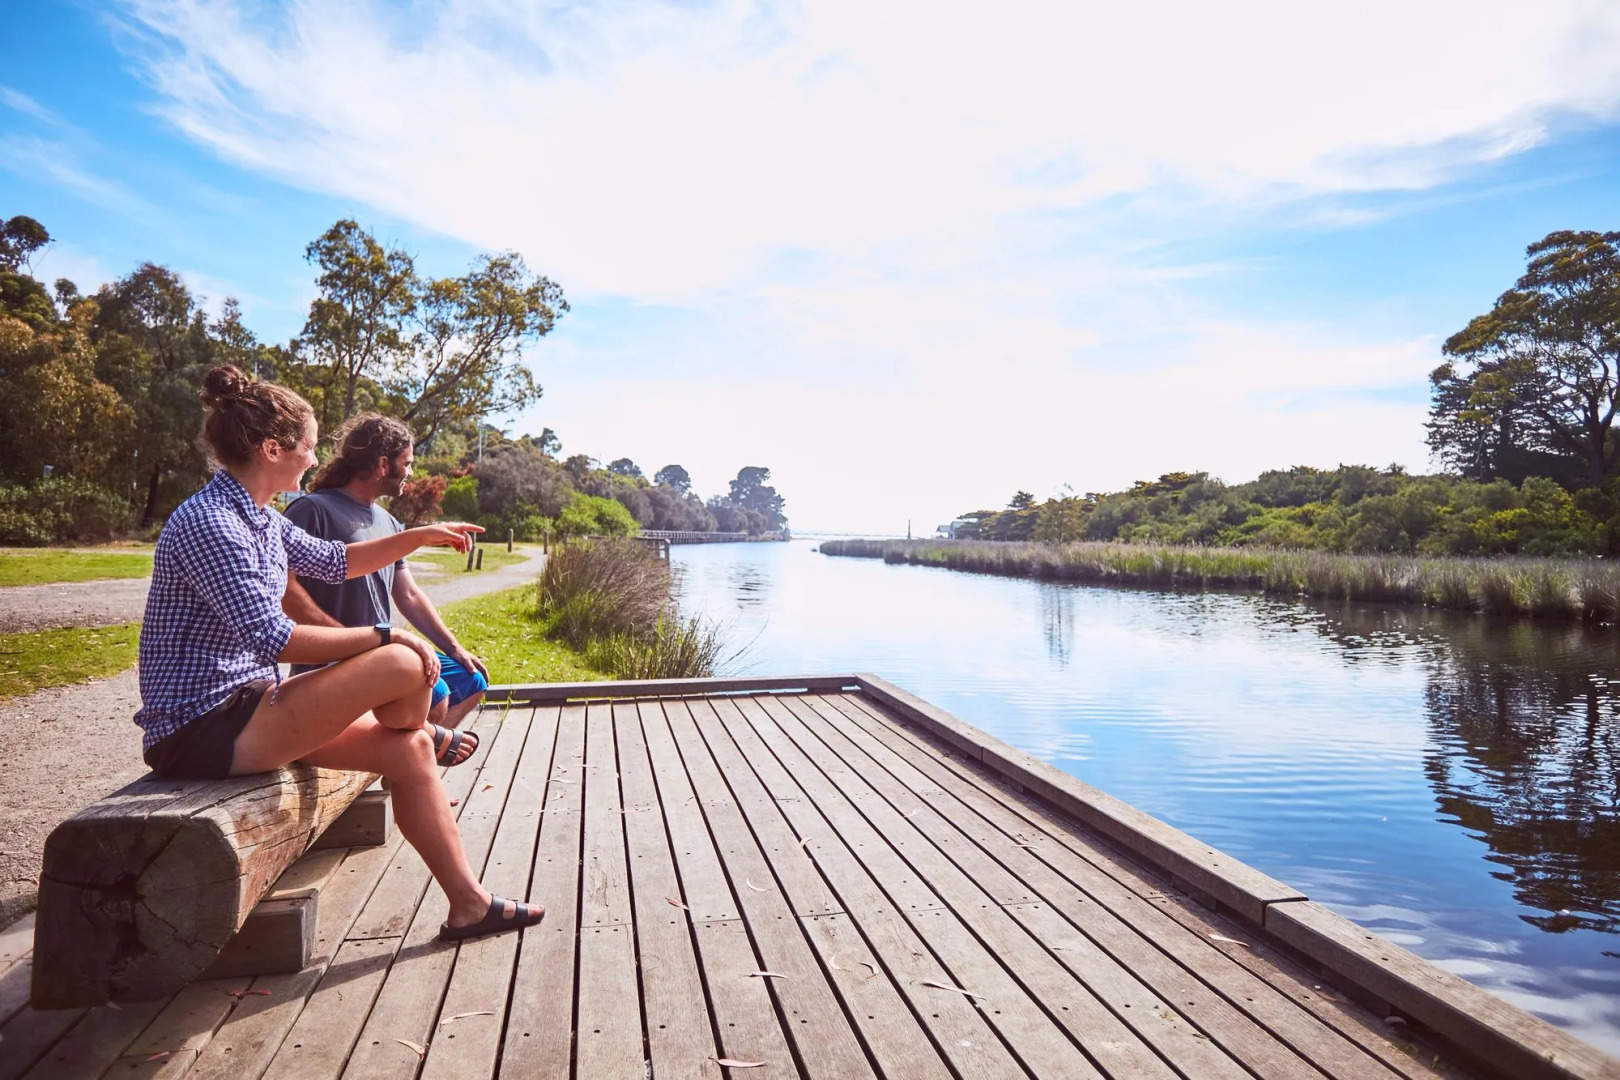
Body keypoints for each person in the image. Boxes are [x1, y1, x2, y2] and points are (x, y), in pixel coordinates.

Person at [134, 365, 543, 942]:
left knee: (412, 746)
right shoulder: (211, 523)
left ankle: (469, 905)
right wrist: (386, 635)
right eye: (306, 443)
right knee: (403, 663)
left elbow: (337, 561)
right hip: (203, 729)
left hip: (250, 707)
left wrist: (421, 536)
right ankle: (419, 720)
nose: (312, 455)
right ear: (272, 448)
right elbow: (274, 637)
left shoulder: (259, 518)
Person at [282, 413, 487, 762]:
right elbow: (285, 589)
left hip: (382, 649)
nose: (410, 471)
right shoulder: (312, 509)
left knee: (471, 679)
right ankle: (408, 764)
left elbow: (406, 594)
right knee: (434, 691)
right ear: (381, 464)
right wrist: (342, 642)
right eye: (406, 463)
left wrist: (454, 648)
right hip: (334, 659)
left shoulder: (389, 522)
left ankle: (412, 774)